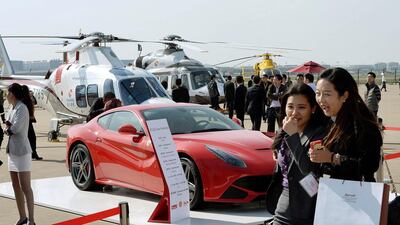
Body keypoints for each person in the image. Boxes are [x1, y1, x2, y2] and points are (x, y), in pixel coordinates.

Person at [268, 83, 328, 225]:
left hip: (308, 205)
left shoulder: (319, 133)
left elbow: (307, 169)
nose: (294, 112)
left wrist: (293, 136)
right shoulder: (285, 130)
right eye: (290, 107)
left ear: (313, 109)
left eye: (301, 107)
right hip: (284, 201)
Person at [310, 68, 382, 182]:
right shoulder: (329, 120)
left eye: (327, 94)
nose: (320, 99)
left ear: (344, 95)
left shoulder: (362, 124)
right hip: (331, 190)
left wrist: (332, 158)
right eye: (318, 93)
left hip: (354, 195)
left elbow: (370, 165)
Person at [4, 83, 36, 225]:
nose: (6, 95)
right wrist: (8, 127)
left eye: (7, 92)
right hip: (12, 151)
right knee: (15, 185)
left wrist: (7, 129)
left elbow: (14, 128)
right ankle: (22, 217)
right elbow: (8, 124)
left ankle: (32, 220)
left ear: (13, 94)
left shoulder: (22, 108)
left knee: (25, 186)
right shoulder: (12, 108)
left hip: (22, 152)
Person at [21, 85, 42, 160]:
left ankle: (32, 154)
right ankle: (32, 154)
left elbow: (35, 102)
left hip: (27, 121)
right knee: (31, 138)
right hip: (27, 121)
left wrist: (32, 96)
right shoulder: (24, 100)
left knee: (30, 138)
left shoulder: (25, 99)